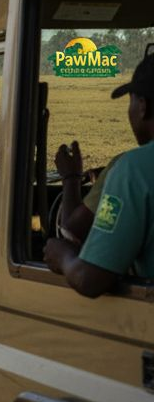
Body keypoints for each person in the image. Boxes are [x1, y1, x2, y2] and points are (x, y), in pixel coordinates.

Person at [44, 53, 154, 297]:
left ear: (143, 106)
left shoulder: (132, 169)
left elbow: (88, 278)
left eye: (131, 101)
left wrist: (62, 257)